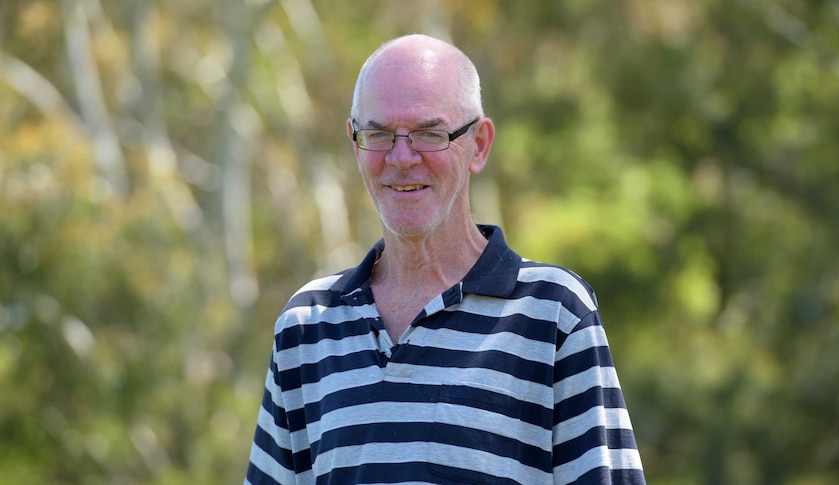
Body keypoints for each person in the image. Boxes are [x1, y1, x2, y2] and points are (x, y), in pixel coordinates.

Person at [245, 34, 646, 484]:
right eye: (378, 134)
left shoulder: (554, 313)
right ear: (355, 143)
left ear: (478, 145)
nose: (401, 158)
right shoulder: (307, 325)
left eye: (428, 134)